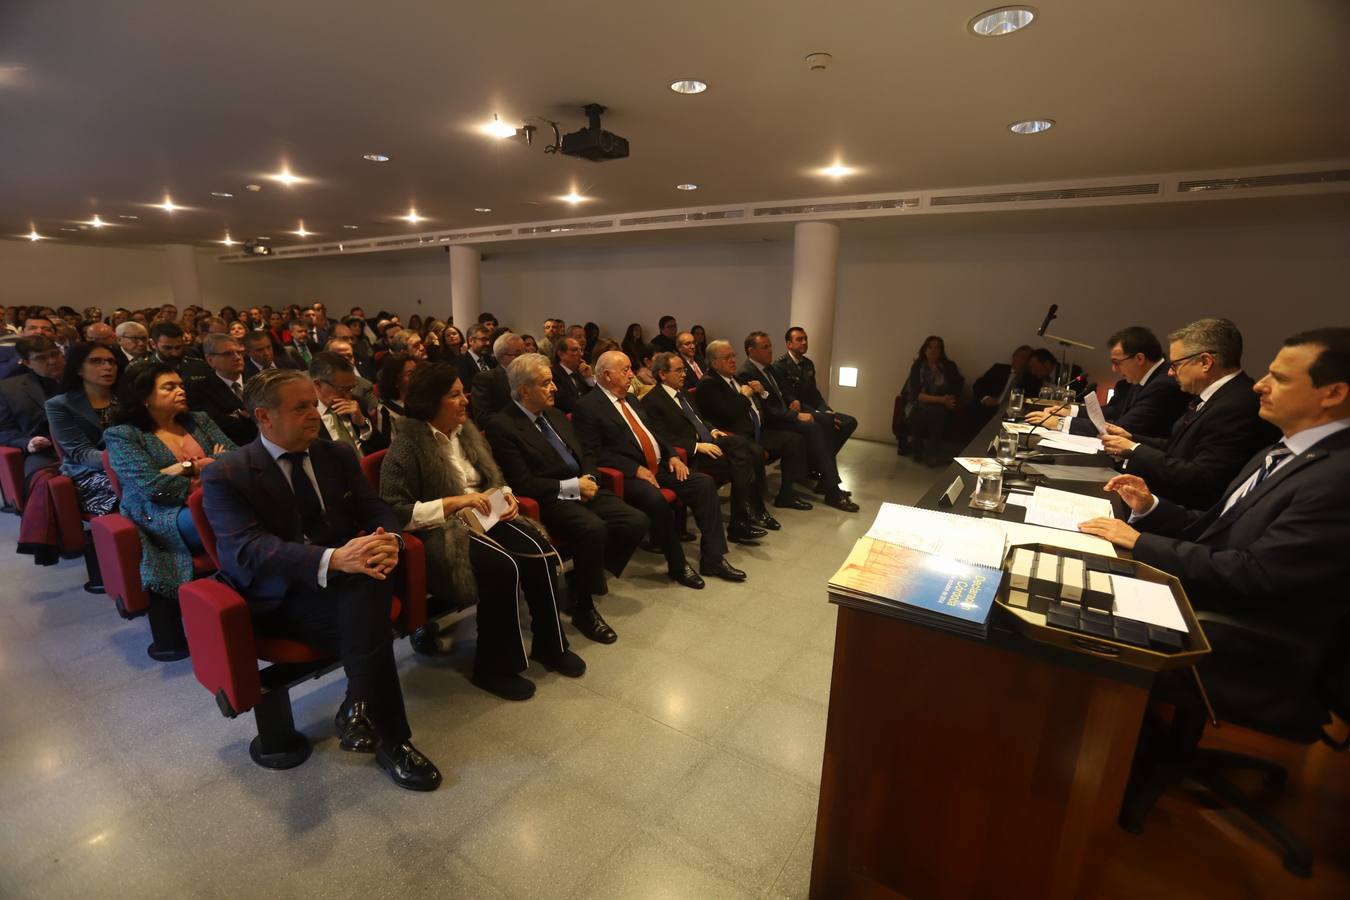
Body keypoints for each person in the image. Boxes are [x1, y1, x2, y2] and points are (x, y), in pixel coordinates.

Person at [201, 368, 440, 790]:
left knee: (369, 577)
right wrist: (334, 559)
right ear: (264, 417)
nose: (316, 413)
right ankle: (387, 735)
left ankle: (362, 707)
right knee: (369, 612)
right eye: (301, 407)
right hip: (281, 595)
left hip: (349, 580)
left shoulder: (336, 455)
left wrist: (388, 541)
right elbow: (248, 550)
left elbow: (376, 508)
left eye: (315, 403)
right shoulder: (228, 473)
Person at [1079, 327, 1350, 663]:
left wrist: (1140, 542)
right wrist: (1152, 507)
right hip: (1199, 590)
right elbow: (1218, 526)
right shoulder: (1279, 450)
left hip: (1234, 636)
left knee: (1074, 628)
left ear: (1333, 393)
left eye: (1279, 379)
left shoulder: (1336, 478)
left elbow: (1254, 573)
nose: (1259, 385)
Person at [380, 364, 584, 700]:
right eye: (455, 395)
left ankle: (551, 644)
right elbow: (395, 510)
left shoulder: (467, 432)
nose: (465, 400)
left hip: (485, 515)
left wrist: (505, 494)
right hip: (441, 531)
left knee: (539, 552)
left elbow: (496, 477)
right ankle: (492, 666)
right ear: (431, 401)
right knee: (502, 567)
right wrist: (453, 502)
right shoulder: (406, 446)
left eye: (463, 392)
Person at [484, 353, 648, 645]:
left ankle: (579, 581)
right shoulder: (503, 425)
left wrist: (591, 479)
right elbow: (524, 483)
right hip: (551, 499)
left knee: (636, 521)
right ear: (523, 389)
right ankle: (585, 607)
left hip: (583, 486)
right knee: (593, 529)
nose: (555, 388)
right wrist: (574, 487)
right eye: (546, 383)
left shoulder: (555, 414)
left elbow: (585, 453)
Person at [575, 351, 746, 589]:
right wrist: (635, 468)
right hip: (628, 475)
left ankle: (713, 557)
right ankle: (677, 564)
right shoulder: (588, 406)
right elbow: (594, 452)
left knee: (703, 484)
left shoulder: (632, 399)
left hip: (659, 466)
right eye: (624, 370)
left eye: (629, 368)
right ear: (606, 375)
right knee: (655, 499)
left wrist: (673, 455)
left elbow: (655, 433)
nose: (631, 374)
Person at [104, 362, 236, 660]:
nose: (180, 391)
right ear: (144, 397)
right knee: (225, 516)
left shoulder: (198, 420)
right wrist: (198, 465)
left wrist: (178, 470)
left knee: (241, 510)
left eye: (180, 385)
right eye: (169, 387)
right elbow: (151, 487)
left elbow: (235, 457)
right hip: (160, 515)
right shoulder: (123, 435)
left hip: (215, 500)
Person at [1100, 318, 1279, 509]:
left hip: (1179, 513)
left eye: (1176, 364)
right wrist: (1132, 439)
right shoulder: (1214, 395)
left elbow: (1202, 477)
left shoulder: (1236, 405)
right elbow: (1178, 446)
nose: (1170, 372)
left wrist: (1136, 450)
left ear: (1205, 362)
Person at [643, 351, 776, 541]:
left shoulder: (682, 394)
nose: (684, 374)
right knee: (742, 462)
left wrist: (712, 430)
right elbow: (661, 437)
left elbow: (699, 419)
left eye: (683, 370)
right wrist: (696, 446)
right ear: (662, 374)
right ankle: (740, 522)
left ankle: (743, 519)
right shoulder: (652, 401)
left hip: (709, 440)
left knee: (743, 448)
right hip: (692, 454)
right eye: (678, 370)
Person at [740, 331, 858, 512]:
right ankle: (831, 489)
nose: (770, 350)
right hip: (770, 425)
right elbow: (766, 410)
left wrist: (791, 401)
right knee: (814, 428)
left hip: (783, 415)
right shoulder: (747, 372)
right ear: (751, 351)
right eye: (765, 347)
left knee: (828, 422)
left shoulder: (767, 367)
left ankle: (827, 481)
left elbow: (779, 394)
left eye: (770, 346)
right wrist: (795, 416)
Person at [696, 340, 813, 512]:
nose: (733, 360)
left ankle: (786, 494)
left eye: (733, 355)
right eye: (727, 357)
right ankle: (755, 507)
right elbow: (728, 414)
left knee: (794, 440)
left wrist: (762, 392)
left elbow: (761, 403)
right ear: (714, 362)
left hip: (757, 429)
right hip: (737, 435)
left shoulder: (733, 377)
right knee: (756, 453)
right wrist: (744, 396)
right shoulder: (709, 383)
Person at [1026, 327, 1189, 438]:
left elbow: (1122, 428)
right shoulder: (1145, 377)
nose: (1113, 369)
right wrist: (1071, 412)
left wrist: (1061, 423)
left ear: (1139, 358)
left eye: (1117, 362)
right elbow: (1116, 411)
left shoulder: (1163, 385)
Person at [46, 342, 120, 516]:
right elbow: (81, 453)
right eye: (96, 361)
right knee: (141, 486)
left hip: (131, 464)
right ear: (79, 369)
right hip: (88, 471)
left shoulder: (127, 398)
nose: (107, 367)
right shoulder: (59, 405)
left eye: (111, 362)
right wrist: (128, 462)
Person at [773, 326, 858, 453]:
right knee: (827, 425)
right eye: (800, 339)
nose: (804, 342)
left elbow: (814, 393)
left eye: (806, 339)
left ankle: (822, 458)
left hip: (813, 408)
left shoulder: (808, 364)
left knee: (849, 422)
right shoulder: (780, 366)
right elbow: (789, 398)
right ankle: (822, 460)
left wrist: (826, 410)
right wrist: (820, 415)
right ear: (789, 344)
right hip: (798, 412)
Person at [0, 335, 64, 487]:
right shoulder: (8, 389)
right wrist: (27, 443)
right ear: (27, 363)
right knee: (40, 481)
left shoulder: (82, 378)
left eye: (55, 354)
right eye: (41, 358)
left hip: (91, 443)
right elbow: (4, 431)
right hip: (46, 450)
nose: (52, 361)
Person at [186, 334, 258, 446]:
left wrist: (243, 417)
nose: (237, 357)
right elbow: (216, 427)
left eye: (239, 352)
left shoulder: (257, 379)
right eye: (228, 354)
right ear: (210, 360)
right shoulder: (201, 390)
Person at [309, 352, 386, 456]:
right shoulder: (307, 417)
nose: (348, 396)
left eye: (351, 388)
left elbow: (382, 450)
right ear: (318, 384)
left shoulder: (357, 403)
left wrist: (362, 424)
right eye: (343, 389)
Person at [904, 335, 964, 466]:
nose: (933, 350)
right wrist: (941, 399)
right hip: (918, 403)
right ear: (924, 350)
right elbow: (916, 395)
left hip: (941, 406)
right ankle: (918, 450)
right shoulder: (917, 366)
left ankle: (932, 453)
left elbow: (956, 386)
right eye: (930, 347)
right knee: (916, 413)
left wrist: (949, 398)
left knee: (937, 412)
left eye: (937, 347)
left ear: (941, 351)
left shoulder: (949, 366)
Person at [970, 344, 1035, 420]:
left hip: (1011, 415)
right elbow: (978, 384)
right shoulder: (999, 369)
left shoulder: (1029, 379)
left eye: (1028, 359)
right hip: (988, 408)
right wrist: (986, 398)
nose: (1024, 361)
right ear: (1014, 357)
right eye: (1022, 357)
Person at [470, 332, 523, 423]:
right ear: (502, 356)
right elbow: (483, 416)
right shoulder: (486, 379)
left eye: (525, 353)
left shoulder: (528, 376)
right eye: (518, 354)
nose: (524, 358)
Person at [551, 337, 595, 415]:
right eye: (575, 350)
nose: (581, 354)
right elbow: (566, 403)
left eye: (581, 350)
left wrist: (589, 378)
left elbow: (595, 398)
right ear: (561, 354)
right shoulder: (553, 374)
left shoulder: (580, 372)